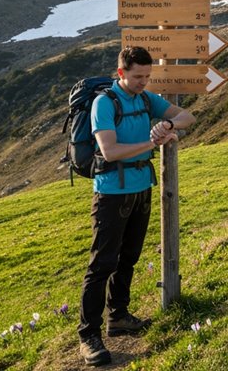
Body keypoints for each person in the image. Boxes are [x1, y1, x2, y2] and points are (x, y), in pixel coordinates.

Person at [78, 46, 197, 366]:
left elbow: (188, 116)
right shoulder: (104, 103)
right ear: (121, 73)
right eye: (137, 76)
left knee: (128, 257)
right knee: (102, 263)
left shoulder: (146, 98)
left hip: (142, 187)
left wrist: (169, 126)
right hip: (111, 193)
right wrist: (153, 140)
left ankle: (118, 317)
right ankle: (89, 334)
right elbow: (110, 150)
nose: (144, 81)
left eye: (147, 76)